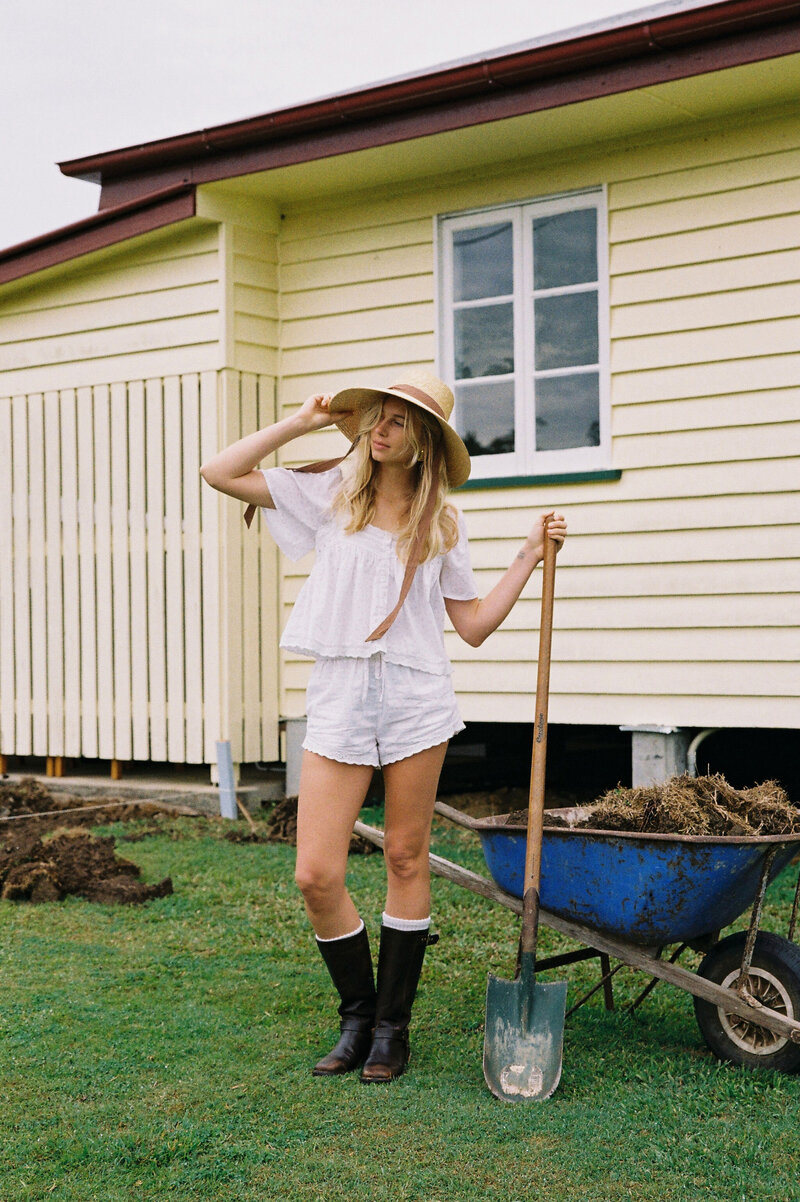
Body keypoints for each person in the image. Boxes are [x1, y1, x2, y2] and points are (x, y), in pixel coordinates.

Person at [200, 369, 566, 1084]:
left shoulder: (442, 524)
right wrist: (302, 423)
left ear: (423, 439)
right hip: (339, 692)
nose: (380, 427)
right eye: (376, 416)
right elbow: (220, 472)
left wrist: (527, 557)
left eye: (398, 419)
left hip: (414, 698)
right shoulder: (330, 493)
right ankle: (357, 1013)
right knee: (315, 873)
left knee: (405, 857)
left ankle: (392, 1031)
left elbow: (474, 627)